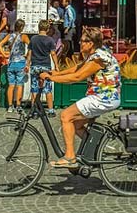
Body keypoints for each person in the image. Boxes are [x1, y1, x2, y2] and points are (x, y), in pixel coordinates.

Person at [39, 28, 120, 169]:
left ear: (92, 43)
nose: (80, 43)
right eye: (81, 40)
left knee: (66, 116)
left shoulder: (98, 58)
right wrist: (55, 73)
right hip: (101, 96)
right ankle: (96, 147)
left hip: (103, 98)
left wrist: (52, 78)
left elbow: (78, 76)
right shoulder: (93, 55)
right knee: (75, 125)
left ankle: (70, 157)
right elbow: (76, 68)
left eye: (84, 41)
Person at [27, 19, 58, 117]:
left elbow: (30, 53)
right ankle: (51, 110)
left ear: (38, 28)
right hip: (45, 66)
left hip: (35, 65)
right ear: (48, 29)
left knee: (34, 89)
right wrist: (56, 66)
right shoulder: (50, 40)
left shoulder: (33, 39)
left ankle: (34, 110)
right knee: (48, 89)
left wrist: (27, 64)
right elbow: (53, 53)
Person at [0, 19, 29, 113]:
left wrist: (4, 55)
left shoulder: (9, 36)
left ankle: (10, 106)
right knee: (20, 85)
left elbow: (0, 45)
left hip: (11, 63)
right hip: (20, 62)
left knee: (11, 85)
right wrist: (27, 55)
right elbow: (31, 46)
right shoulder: (23, 36)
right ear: (22, 27)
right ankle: (18, 106)